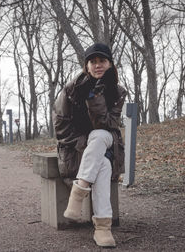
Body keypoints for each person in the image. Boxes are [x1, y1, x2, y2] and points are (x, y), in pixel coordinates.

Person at [53, 43, 126, 248]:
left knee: (99, 134)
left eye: (102, 61)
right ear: (86, 66)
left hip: (106, 141)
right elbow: (60, 126)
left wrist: (95, 98)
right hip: (77, 147)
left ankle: (78, 192)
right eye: (92, 62)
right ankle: (103, 228)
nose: (97, 65)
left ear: (110, 64)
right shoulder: (71, 90)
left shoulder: (117, 92)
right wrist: (84, 143)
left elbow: (110, 125)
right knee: (102, 165)